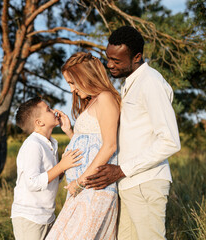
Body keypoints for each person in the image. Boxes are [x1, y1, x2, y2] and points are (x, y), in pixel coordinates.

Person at [83, 26, 181, 240]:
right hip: (128, 182)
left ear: (137, 57)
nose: (109, 64)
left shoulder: (151, 83)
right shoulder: (130, 84)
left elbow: (170, 141)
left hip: (146, 182)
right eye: (108, 58)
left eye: (117, 61)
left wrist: (121, 170)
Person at [46, 52, 121, 239]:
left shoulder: (105, 98)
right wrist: (70, 132)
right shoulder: (93, 101)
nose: (72, 89)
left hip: (93, 188)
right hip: (83, 190)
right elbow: (92, 142)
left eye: (72, 83)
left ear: (85, 77)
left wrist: (79, 182)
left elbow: (109, 145)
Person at [11, 97, 83, 240]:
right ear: (39, 122)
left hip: (46, 215)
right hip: (30, 217)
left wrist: (62, 167)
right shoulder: (33, 145)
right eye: (48, 109)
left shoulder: (50, 143)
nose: (54, 111)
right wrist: (61, 165)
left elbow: (52, 177)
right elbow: (33, 183)